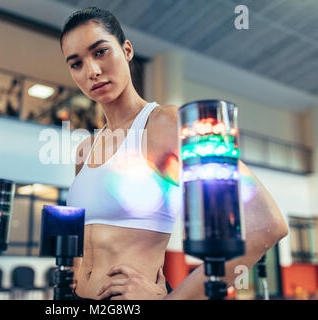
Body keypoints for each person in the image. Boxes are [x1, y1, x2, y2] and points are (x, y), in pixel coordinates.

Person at [61, 7, 288, 300]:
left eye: (101, 52)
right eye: (76, 63)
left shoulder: (166, 124)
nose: (91, 70)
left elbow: (267, 225)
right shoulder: (84, 150)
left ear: (127, 50)